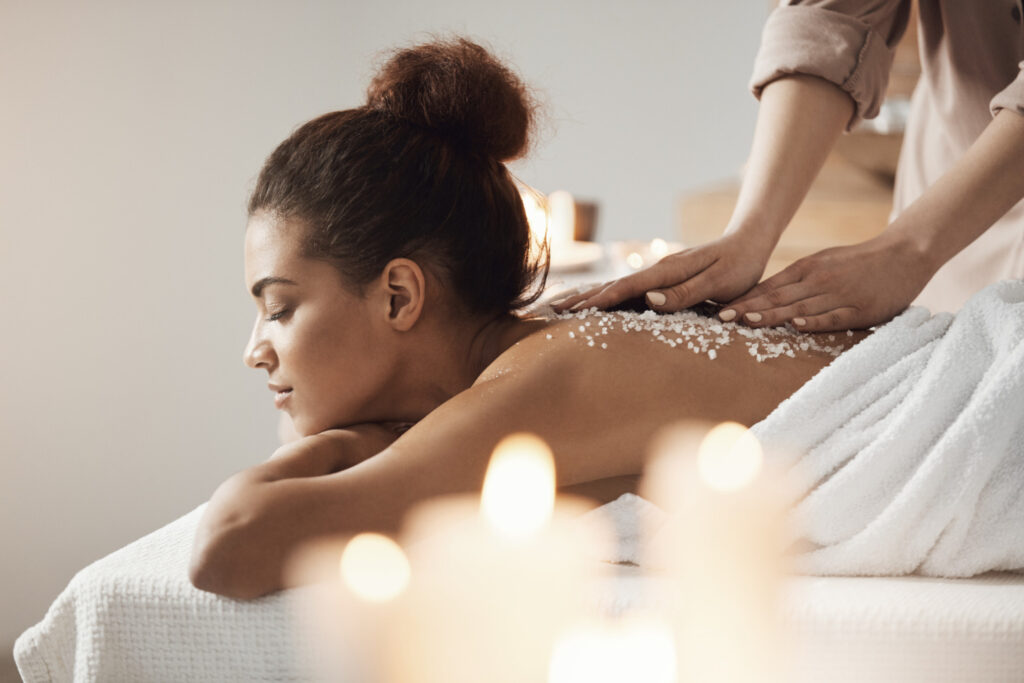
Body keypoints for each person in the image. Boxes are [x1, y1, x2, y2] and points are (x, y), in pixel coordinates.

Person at [188, 38, 868, 600]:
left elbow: (231, 545)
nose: (255, 350)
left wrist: (354, 443)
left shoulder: (547, 380)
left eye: (279, 309)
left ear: (398, 295)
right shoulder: (532, 352)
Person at [553, 0, 1024, 331]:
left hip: (932, 229)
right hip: (951, 183)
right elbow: (829, 14)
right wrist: (750, 232)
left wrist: (910, 247)